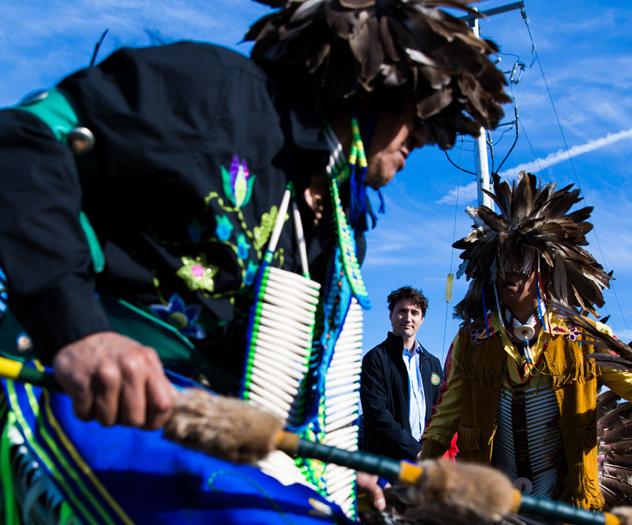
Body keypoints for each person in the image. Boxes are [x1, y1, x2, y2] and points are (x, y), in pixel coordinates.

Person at [0, 0, 508, 522]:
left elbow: (288, 389)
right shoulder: (215, 95)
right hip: (83, 399)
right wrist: (79, 331)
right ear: (375, 86)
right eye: (414, 116)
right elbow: (28, 138)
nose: (419, 140)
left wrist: (341, 472)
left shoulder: (340, 225)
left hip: (225, 449)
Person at [420, 172, 632, 511]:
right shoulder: (474, 340)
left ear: (544, 269)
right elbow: (448, 414)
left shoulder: (582, 337)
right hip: (494, 502)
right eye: (503, 261)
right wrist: (423, 464)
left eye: (521, 262)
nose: (510, 272)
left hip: (568, 502)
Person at [361, 287, 443, 461]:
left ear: (422, 319)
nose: (408, 318)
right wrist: (415, 450)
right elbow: (377, 414)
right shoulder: (375, 359)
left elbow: (441, 412)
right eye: (402, 311)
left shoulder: (433, 364)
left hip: (428, 461)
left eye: (414, 312)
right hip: (389, 464)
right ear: (391, 315)